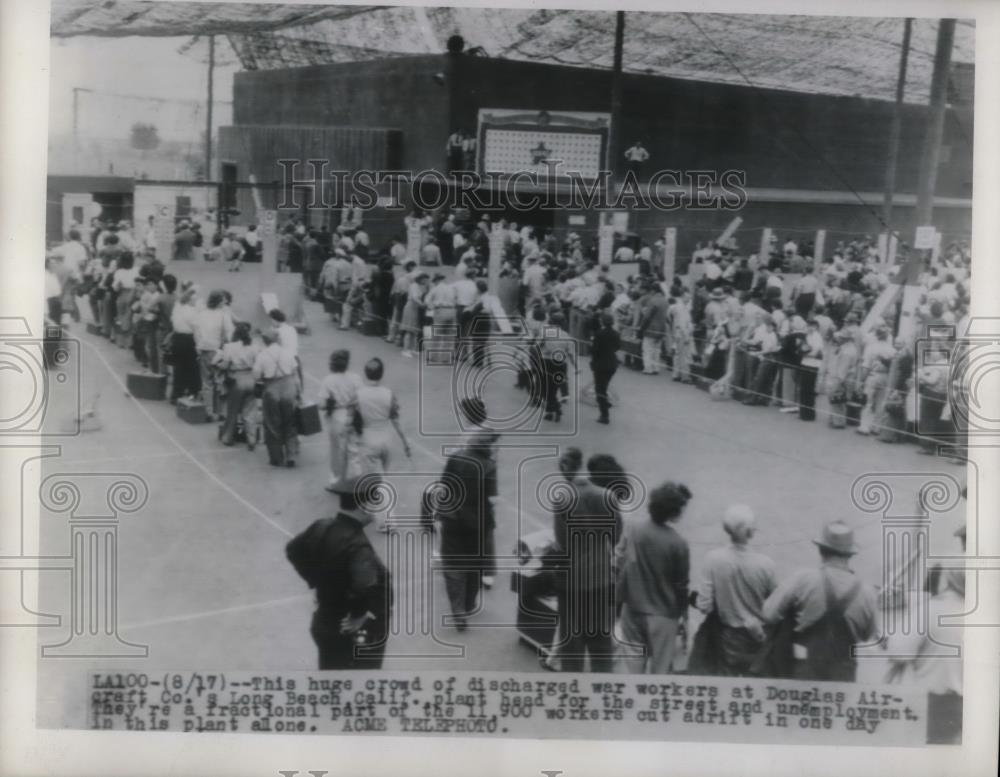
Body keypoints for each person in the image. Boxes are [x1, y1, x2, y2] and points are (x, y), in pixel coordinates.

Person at [286, 477, 392, 670]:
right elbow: (364, 584)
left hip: (325, 619)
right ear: (366, 506)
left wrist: (315, 581)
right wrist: (359, 614)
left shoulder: (321, 526)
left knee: (331, 676)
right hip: (353, 630)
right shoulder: (359, 546)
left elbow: (293, 549)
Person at [761, 521, 878, 682]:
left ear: (821, 550)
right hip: (844, 680)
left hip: (805, 676)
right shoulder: (868, 593)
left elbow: (768, 615)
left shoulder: (802, 580)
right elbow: (870, 637)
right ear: (850, 555)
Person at [548, 451, 623, 673]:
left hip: (571, 581)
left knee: (572, 642)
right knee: (601, 640)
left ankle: (574, 688)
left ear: (564, 467)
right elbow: (616, 536)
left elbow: (562, 543)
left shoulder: (562, 498)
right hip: (601, 579)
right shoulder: (607, 496)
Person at [615, 482, 692, 674]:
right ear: (674, 511)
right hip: (663, 614)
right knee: (660, 672)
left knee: (633, 668)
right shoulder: (678, 543)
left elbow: (618, 560)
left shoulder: (633, 527)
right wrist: (684, 614)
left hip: (632, 609)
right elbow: (681, 585)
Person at [694, 505, 777, 676]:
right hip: (758, 636)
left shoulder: (713, 559)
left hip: (728, 637)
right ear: (750, 532)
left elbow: (705, 606)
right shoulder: (766, 564)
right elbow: (776, 605)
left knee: (727, 686)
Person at [435, 429, 501, 631]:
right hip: (478, 522)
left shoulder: (455, 457)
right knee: (474, 563)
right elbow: (492, 499)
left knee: (453, 565)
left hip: (452, 517)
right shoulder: (489, 465)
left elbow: (443, 487)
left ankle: (458, 611)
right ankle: (469, 603)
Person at [353, 358, 412, 523]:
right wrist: (405, 443)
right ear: (381, 374)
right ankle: (369, 507)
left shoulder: (358, 395)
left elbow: (352, 419)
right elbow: (396, 420)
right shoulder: (389, 394)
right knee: (382, 478)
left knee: (375, 482)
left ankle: (388, 520)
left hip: (368, 440)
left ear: (365, 374)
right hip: (386, 439)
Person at [252, 329, 301, 467]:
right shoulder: (287, 353)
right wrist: (298, 392)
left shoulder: (262, 355)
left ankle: (276, 457)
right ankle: (291, 455)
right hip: (288, 385)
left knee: (272, 423)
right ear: (277, 339)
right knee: (291, 422)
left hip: (271, 388)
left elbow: (256, 375)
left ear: (265, 341)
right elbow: (295, 374)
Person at [319, 349, 363, 491]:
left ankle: (335, 481)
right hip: (353, 415)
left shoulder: (328, 380)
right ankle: (357, 479)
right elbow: (361, 397)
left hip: (337, 416)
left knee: (337, 450)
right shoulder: (356, 378)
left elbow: (322, 404)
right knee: (353, 449)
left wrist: (331, 403)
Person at [212, 323, 261, 448]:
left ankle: (228, 437)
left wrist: (218, 365)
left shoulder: (230, 347)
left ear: (236, 333)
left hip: (236, 379)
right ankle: (251, 439)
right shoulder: (255, 347)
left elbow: (225, 365)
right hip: (251, 378)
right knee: (250, 410)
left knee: (232, 410)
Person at [193, 291, 236, 421]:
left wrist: (199, 347)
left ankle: (209, 411)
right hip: (219, 350)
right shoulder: (224, 315)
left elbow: (196, 333)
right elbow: (230, 334)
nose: (225, 303)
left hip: (205, 350)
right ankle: (222, 411)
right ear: (218, 302)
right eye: (223, 301)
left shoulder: (201, 314)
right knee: (221, 382)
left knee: (207, 382)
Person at [857, 324, 895, 435]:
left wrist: (861, 381)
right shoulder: (892, 350)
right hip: (885, 377)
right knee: (880, 402)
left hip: (872, 376)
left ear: (877, 335)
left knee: (868, 401)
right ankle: (876, 427)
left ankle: (864, 426)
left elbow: (866, 366)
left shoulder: (871, 348)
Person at [539, 312, 575, 422]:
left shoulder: (545, 332)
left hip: (547, 362)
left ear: (551, 322)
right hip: (561, 365)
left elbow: (538, 345)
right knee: (554, 388)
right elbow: (570, 353)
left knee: (546, 388)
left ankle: (554, 409)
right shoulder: (566, 335)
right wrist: (576, 366)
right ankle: (550, 411)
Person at [168, 285, 201, 403]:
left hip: (177, 339)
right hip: (188, 340)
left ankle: (176, 395)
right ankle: (193, 393)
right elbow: (196, 329)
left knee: (178, 368)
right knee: (192, 368)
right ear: (190, 300)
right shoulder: (192, 312)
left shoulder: (177, 307)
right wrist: (198, 346)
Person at [589, 311, 620, 425]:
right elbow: (618, 346)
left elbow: (594, 350)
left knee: (599, 389)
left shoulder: (599, 333)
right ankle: (605, 403)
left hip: (600, 363)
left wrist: (591, 347)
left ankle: (604, 414)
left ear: (602, 322)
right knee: (603, 386)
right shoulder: (616, 333)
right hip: (612, 363)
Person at [636, 281, 668, 375]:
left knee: (647, 349)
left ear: (653, 291)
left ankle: (648, 368)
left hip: (651, 329)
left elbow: (647, 317)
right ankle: (656, 368)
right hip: (661, 329)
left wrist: (642, 327)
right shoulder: (665, 300)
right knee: (657, 350)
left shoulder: (652, 301)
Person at [400, 273, 428, 358]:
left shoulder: (418, 286)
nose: (425, 281)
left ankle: (411, 349)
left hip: (414, 309)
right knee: (409, 329)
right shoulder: (414, 286)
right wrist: (422, 304)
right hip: (411, 308)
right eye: (424, 279)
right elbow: (414, 298)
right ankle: (405, 349)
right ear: (420, 279)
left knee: (413, 330)